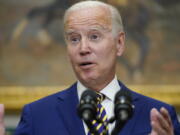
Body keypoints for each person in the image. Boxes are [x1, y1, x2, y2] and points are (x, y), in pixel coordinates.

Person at [1, 1, 180, 135]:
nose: (83, 48)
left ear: (119, 43)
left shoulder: (158, 116)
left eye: (94, 36)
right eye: (74, 39)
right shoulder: (37, 115)